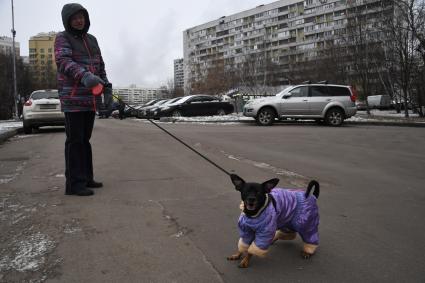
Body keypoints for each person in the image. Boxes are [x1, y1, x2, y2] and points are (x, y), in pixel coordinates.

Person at [55, 3, 112, 196]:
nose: (79, 20)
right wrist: (84, 75)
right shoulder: (63, 38)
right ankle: (74, 184)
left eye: (82, 17)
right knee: (75, 141)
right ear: (68, 21)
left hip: (90, 99)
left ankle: (86, 177)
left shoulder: (92, 40)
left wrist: (107, 87)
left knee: (85, 140)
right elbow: (63, 62)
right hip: (72, 99)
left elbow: (100, 65)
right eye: (75, 18)